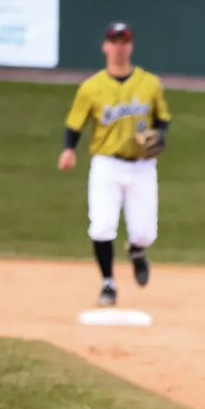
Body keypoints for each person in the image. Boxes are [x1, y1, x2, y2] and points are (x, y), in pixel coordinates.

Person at [57, 22, 172, 307]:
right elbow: (75, 123)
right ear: (105, 46)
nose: (119, 47)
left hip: (142, 166)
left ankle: (136, 251)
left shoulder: (150, 83)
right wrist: (68, 150)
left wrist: (160, 138)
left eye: (124, 41)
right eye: (114, 41)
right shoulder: (91, 88)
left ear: (131, 46)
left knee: (144, 232)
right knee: (102, 227)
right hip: (106, 164)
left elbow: (163, 119)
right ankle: (108, 283)